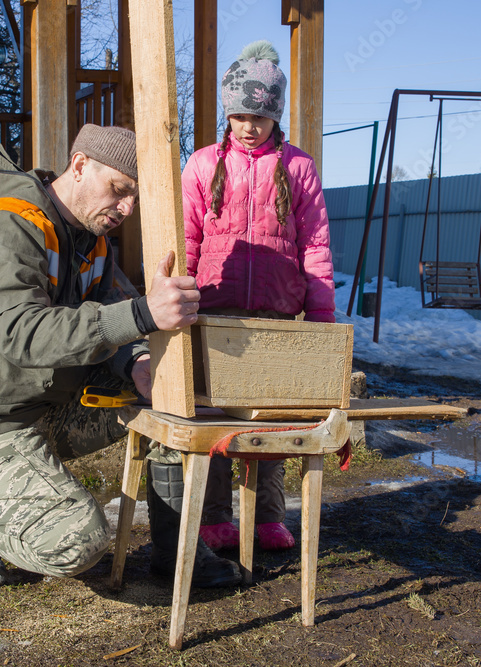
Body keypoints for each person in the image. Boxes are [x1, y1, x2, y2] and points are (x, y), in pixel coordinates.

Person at [0, 123, 241, 588]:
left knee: (169, 392)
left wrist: (138, 365)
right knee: (78, 542)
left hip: (44, 407)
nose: (126, 208)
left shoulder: (91, 241)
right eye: (119, 190)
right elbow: (23, 335)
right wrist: (144, 314)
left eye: (135, 198)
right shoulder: (5, 225)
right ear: (80, 165)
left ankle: (178, 552)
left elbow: (116, 320)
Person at [180, 41, 336, 552]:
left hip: (277, 311)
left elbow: (315, 242)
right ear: (229, 113)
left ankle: (269, 516)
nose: (250, 126)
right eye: (241, 115)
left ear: (275, 115)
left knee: (271, 416)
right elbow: (187, 237)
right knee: (217, 416)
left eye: (260, 116)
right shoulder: (203, 164)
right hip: (216, 307)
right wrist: (178, 296)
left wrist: (320, 313)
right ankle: (216, 516)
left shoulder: (298, 167)